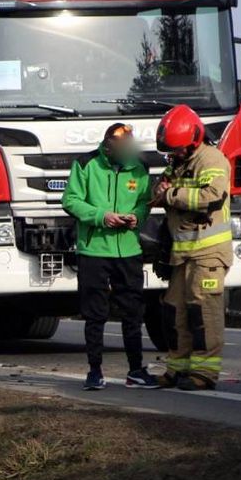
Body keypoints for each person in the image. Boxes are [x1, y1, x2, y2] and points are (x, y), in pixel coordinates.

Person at [62, 123, 158, 391]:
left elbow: (144, 201)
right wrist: (102, 217)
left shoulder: (140, 166)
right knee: (95, 314)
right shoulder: (85, 164)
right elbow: (70, 200)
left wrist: (135, 217)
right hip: (94, 250)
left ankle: (136, 370)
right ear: (107, 146)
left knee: (133, 312)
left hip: (128, 250)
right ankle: (94, 371)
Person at [153, 105, 233, 391]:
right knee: (174, 311)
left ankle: (204, 373)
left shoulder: (211, 160)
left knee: (204, 312)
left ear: (193, 141)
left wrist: (171, 195)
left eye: (175, 150)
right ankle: (177, 368)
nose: (172, 156)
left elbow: (212, 196)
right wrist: (161, 191)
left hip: (208, 252)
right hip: (182, 251)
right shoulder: (179, 161)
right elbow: (160, 191)